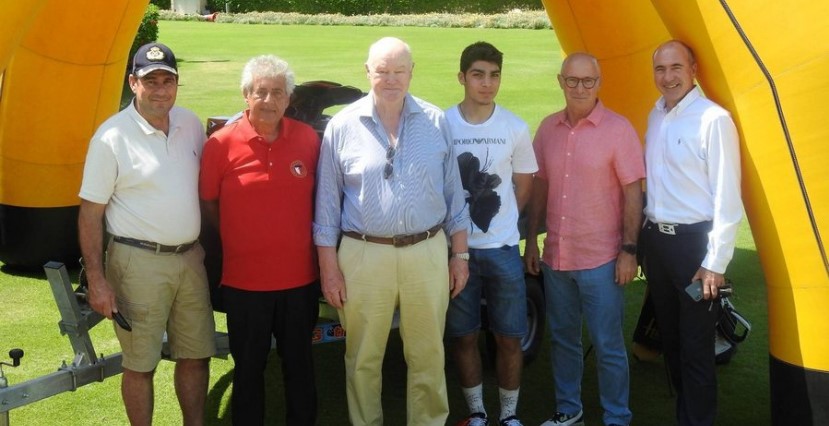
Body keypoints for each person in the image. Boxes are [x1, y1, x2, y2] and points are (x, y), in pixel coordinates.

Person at [313, 36, 470, 426]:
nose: (391, 79)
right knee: (363, 357)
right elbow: (327, 207)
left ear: (412, 72)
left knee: (428, 354)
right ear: (367, 71)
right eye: (382, 70)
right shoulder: (342, 126)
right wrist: (328, 268)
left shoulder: (436, 121)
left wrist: (460, 255)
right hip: (363, 254)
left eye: (400, 70)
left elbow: (455, 195)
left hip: (427, 250)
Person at [78, 42, 216, 426]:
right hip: (137, 261)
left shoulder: (189, 123)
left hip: (190, 258)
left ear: (176, 84)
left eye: (167, 80)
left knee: (196, 354)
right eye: (149, 80)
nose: (160, 89)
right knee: (141, 363)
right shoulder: (111, 138)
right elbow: (90, 214)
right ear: (133, 83)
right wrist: (97, 279)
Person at [199, 55, 321, 425]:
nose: (269, 100)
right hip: (244, 283)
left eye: (277, 93)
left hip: (300, 282)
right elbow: (209, 204)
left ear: (289, 98)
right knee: (248, 370)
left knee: (300, 366)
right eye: (261, 92)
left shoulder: (308, 140)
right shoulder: (220, 145)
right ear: (245, 95)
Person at [524, 52, 644, 426]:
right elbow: (540, 188)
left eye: (588, 81)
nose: (580, 88)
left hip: (603, 260)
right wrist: (531, 241)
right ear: (560, 81)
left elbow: (633, 194)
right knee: (562, 340)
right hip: (557, 256)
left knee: (608, 346)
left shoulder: (619, 129)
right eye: (572, 80)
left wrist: (629, 251)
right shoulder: (547, 129)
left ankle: (617, 417)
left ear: (599, 82)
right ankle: (568, 408)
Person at [640, 40, 742, 426]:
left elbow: (727, 199)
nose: (667, 77)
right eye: (660, 69)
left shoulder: (713, 120)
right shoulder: (655, 115)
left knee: (696, 348)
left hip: (695, 248)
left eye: (675, 68)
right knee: (672, 341)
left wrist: (714, 263)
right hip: (658, 244)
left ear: (693, 69)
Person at [444, 41, 537, 426]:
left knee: (509, 337)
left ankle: (510, 416)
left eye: (494, 75)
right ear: (462, 77)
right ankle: (478, 414)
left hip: (501, 249)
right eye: (478, 75)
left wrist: (500, 219)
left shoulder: (514, 127)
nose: (487, 83)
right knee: (463, 337)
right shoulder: (442, 123)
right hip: (457, 252)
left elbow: (523, 185)